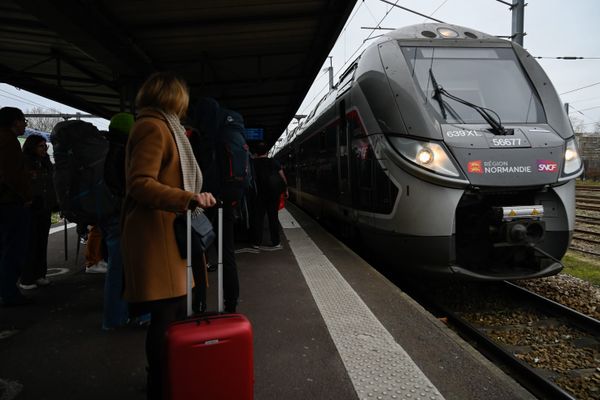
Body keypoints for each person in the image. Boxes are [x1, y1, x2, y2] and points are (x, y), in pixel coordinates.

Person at [121, 72, 216, 399]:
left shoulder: (164, 126)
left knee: (173, 313)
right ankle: (160, 386)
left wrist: (190, 198)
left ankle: (167, 380)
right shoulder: (153, 127)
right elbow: (139, 183)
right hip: (156, 234)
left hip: (168, 233)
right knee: (166, 314)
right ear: (174, 98)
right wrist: (186, 198)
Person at [0, 107, 32, 306]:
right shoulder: (8, 142)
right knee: (13, 249)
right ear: (14, 121)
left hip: (5, 203)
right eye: (23, 121)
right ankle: (9, 293)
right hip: (10, 204)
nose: (25, 125)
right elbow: (11, 176)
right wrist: (25, 196)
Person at [19, 134, 55, 289]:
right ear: (32, 146)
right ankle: (27, 278)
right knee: (30, 243)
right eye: (41, 146)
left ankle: (40, 274)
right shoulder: (24, 162)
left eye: (44, 146)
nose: (44, 149)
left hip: (44, 206)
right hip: (30, 207)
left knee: (41, 242)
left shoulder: (46, 162)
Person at [252, 141, 288, 250]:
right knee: (273, 217)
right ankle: (275, 242)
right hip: (273, 194)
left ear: (256, 153)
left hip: (258, 195)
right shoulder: (273, 162)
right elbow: (282, 176)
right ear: (267, 152)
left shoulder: (252, 163)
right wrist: (285, 189)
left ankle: (256, 243)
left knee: (258, 218)